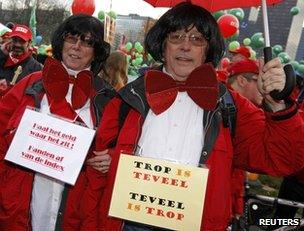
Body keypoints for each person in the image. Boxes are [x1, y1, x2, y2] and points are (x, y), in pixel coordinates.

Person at [95, 3, 304, 230]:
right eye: (176, 37)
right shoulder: (128, 97)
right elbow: (97, 162)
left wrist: (276, 104)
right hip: (128, 223)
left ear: (208, 50)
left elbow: (282, 159)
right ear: (163, 46)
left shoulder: (231, 106)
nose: (185, 46)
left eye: (197, 39)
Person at [0, 14, 114, 230]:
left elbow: (125, 146)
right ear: (62, 42)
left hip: (78, 210)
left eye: (87, 42)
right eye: (72, 38)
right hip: (23, 205)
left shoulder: (106, 97)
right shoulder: (30, 84)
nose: (77, 47)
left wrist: (112, 158)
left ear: (96, 51)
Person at [0, 24, 42, 95]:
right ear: (10, 41)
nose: (17, 45)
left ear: (29, 43)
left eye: (22, 41)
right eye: (15, 40)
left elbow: (35, 95)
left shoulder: (36, 68)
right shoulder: (3, 58)